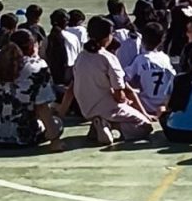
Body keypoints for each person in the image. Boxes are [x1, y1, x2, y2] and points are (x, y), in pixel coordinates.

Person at [57, 16, 154, 146]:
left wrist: (60, 115)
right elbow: (120, 95)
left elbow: (71, 90)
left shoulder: (81, 57)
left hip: (86, 110)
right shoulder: (108, 58)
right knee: (145, 126)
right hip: (108, 109)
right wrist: (127, 102)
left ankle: (98, 125)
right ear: (107, 37)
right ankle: (110, 124)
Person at [0, 29, 63, 149]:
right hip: (23, 136)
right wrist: (55, 140)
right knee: (57, 123)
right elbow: (42, 107)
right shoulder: (37, 66)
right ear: (31, 46)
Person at [126, 23, 176, 117]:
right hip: (163, 103)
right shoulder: (165, 58)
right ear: (161, 40)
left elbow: (125, 78)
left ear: (142, 40)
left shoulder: (141, 59)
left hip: (145, 104)